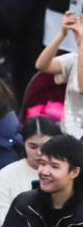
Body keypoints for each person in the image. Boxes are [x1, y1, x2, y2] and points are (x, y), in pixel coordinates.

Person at [0, 116, 60, 227]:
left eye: (46, 146)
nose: (39, 153)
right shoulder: (7, 174)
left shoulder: (65, 173)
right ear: (23, 143)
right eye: (33, 147)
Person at [35, 9, 83, 139]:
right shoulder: (75, 58)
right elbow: (42, 65)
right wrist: (62, 34)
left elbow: (81, 87)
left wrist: (81, 44)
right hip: (67, 135)